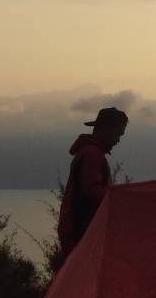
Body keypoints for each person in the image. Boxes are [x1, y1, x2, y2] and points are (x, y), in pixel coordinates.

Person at [54, 106, 128, 268]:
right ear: (106, 129)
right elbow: (91, 190)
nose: (118, 140)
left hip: (78, 230)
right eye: (119, 134)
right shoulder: (91, 154)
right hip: (79, 231)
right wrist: (119, 197)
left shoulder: (90, 152)